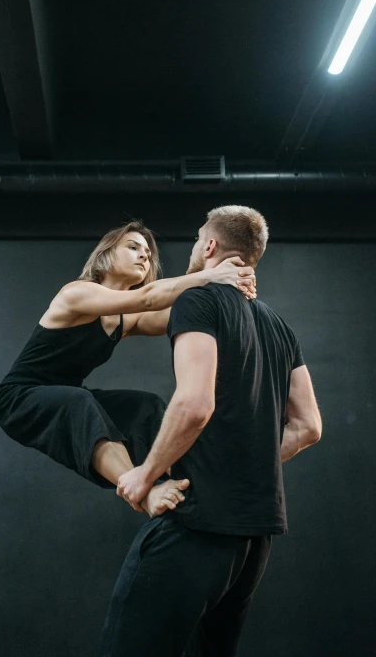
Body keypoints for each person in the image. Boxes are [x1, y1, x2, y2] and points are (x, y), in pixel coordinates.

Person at [99, 206, 322, 656]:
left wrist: (145, 476)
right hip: (253, 541)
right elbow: (308, 426)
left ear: (211, 246)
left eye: (199, 237)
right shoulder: (279, 327)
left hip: (197, 528)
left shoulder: (198, 300)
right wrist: (240, 460)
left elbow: (195, 404)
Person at [0, 220, 256, 516]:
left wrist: (232, 290)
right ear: (106, 255)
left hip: (67, 394)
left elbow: (183, 310)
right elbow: (148, 298)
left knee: (145, 406)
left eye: (147, 252)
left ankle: (186, 483)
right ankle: (139, 490)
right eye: (133, 247)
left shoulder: (124, 319)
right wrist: (212, 274)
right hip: (20, 398)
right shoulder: (76, 294)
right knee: (80, 402)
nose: (144, 255)